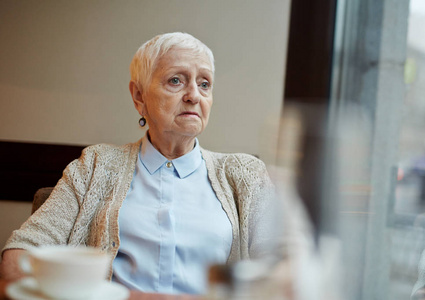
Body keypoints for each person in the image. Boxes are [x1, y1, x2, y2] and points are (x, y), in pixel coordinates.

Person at [0, 32, 279, 295]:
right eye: (176, 81)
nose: (194, 95)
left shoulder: (244, 175)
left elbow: (283, 265)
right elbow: (20, 254)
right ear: (139, 96)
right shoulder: (96, 166)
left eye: (204, 83)